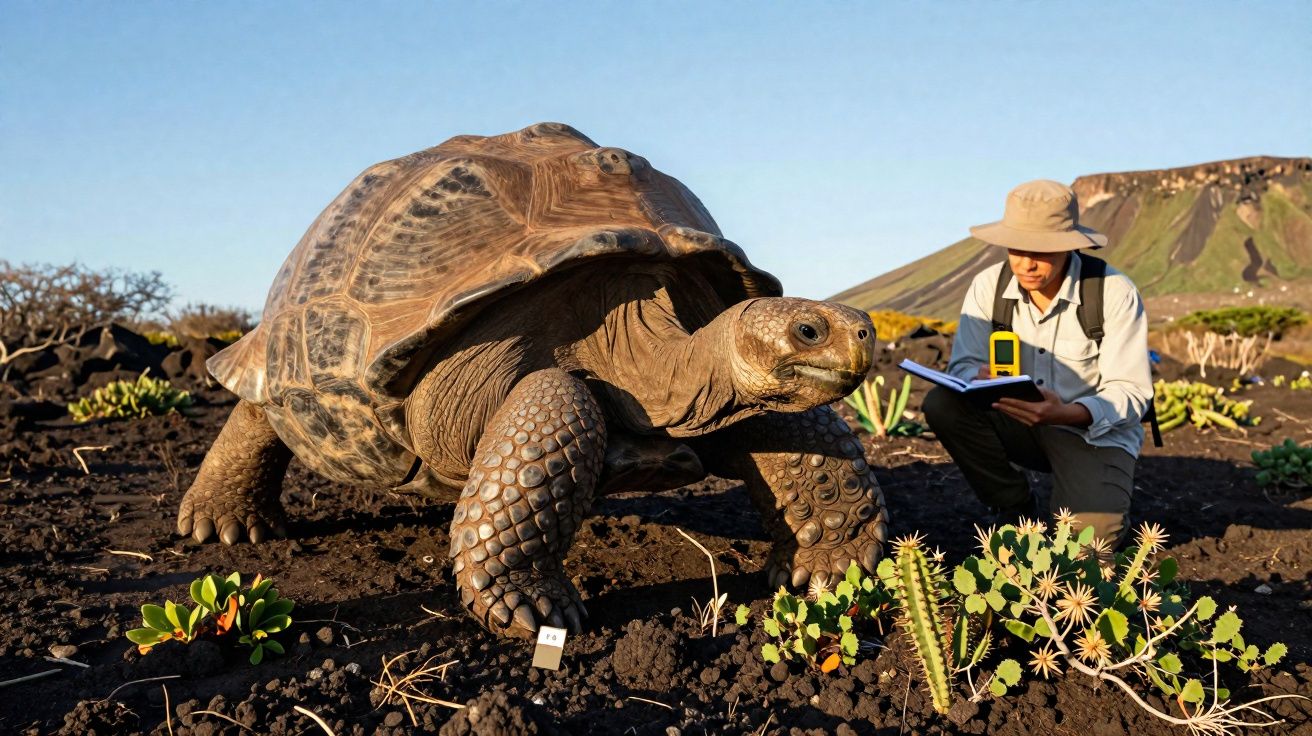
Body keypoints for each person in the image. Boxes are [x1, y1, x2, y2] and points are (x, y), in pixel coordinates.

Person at [922, 179, 1153, 546]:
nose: (1026, 264)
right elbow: (962, 366)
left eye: (1042, 251)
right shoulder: (988, 286)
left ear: (1068, 247)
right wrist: (976, 377)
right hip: (1017, 422)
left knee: (1087, 551)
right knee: (943, 403)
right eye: (1017, 248)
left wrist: (1068, 413)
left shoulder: (1112, 292)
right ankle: (1013, 506)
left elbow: (1132, 392)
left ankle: (1091, 497)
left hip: (1091, 432)